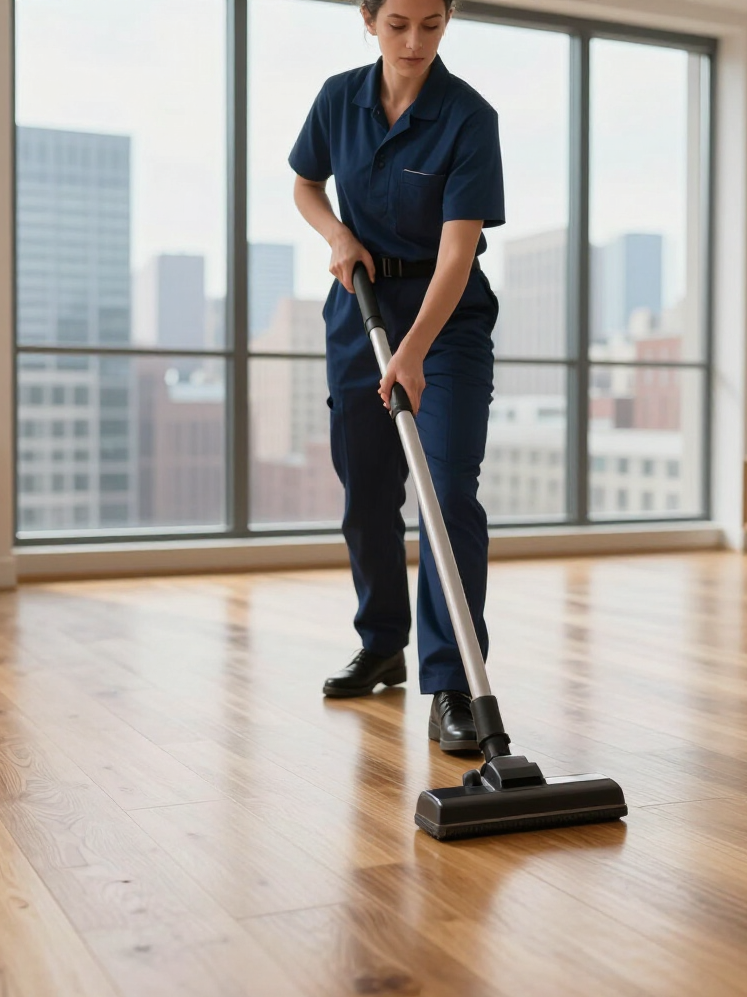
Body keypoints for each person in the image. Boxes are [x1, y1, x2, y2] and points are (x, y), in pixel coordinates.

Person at [290, 0, 504, 754]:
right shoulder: (337, 98)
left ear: (448, 20)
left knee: (447, 495)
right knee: (368, 491)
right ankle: (383, 641)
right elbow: (305, 184)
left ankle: (451, 684)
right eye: (399, 25)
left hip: (446, 326)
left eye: (432, 25)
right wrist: (338, 234)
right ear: (369, 19)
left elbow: (456, 254)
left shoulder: (468, 116)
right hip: (360, 312)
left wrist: (412, 350)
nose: (415, 43)